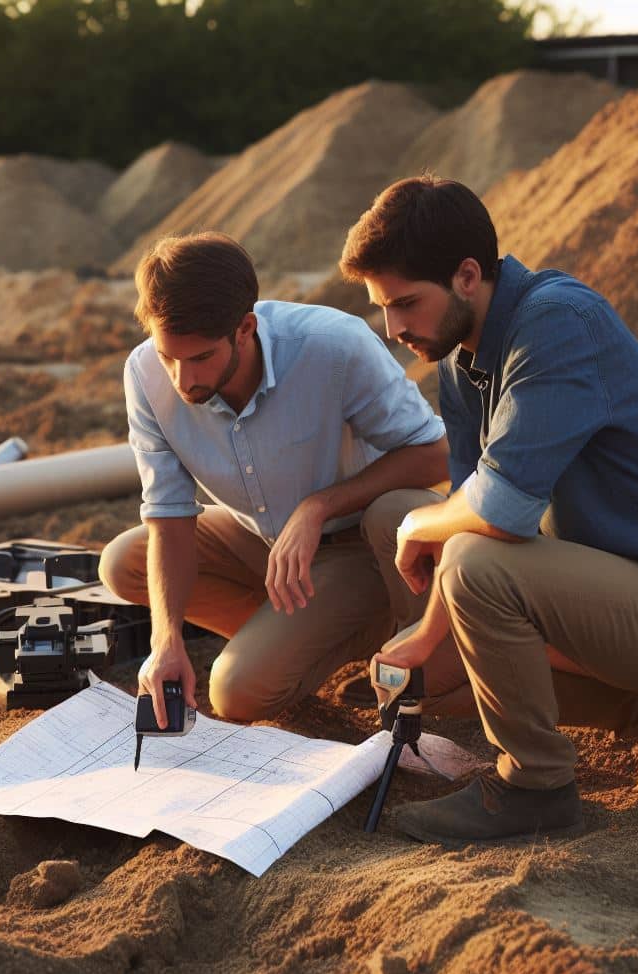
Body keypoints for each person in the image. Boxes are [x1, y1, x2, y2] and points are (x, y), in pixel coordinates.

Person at [338, 175, 638, 845]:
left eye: (404, 304)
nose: (394, 329)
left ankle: (534, 788)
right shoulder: (461, 363)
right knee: (440, 679)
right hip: (622, 594)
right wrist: (423, 637)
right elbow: (470, 508)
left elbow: (497, 515)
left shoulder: (558, 321)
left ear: (467, 275)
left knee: (475, 564)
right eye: (383, 310)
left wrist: (417, 523)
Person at [98, 231, 448, 728]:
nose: (182, 379)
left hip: (359, 548)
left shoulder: (333, 348)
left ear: (244, 328)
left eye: (200, 358)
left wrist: (320, 506)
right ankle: (300, 639)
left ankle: (366, 630)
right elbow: (168, 513)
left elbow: (437, 456)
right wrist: (164, 641)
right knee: (123, 564)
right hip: (263, 539)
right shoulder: (144, 373)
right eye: (168, 356)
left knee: (235, 693)